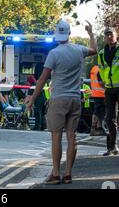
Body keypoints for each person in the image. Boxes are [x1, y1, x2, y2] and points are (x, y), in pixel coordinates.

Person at [26, 19, 97, 184]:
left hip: (58, 99)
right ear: (70, 33)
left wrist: (32, 98)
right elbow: (94, 50)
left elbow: (42, 79)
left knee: (56, 136)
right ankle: (68, 174)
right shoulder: (79, 50)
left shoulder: (54, 53)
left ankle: (56, 173)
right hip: (75, 99)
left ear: (57, 35)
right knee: (72, 136)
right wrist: (91, 33)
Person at [98, 28, 119, 156]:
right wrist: (103, 80)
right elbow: (101, 69)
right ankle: (112, 147)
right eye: (107, 34)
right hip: (109, 88)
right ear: (104, 37)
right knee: (109, 118)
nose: (109, 36)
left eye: (111, 34)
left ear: (116, 35)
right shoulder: (101, 53)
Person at [89, 65, 106, 136]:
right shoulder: (100, 69)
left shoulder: (94, 68)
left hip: (97, 93)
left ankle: (99, 128)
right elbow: (101, 82)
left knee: (100, 112)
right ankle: (94, 128)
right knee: (98, 111)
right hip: (101, 93)